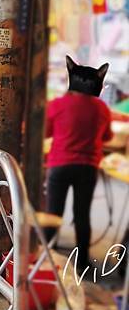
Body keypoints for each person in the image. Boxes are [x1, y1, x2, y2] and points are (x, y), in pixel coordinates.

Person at [45, 56, 112, 270]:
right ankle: (82, 263)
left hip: (59, 164)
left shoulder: (58, 104)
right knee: (82, 215)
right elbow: (107, 137)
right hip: (88, 167)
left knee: (53, 213)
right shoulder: (101, 109)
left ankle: (47, 260)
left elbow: (46, 132)